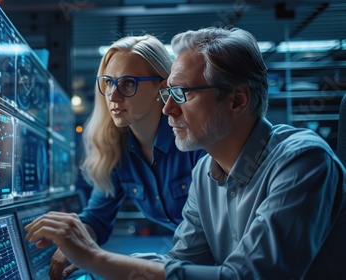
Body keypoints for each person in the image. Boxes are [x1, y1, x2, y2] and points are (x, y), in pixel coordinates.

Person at [25, 26, 346, 279]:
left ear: (236, 101)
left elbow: (251, 276)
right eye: (168, 94)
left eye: (182, 94)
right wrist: (97, 267)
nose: (168, 108)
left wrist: (98, 259)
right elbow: (181, 262)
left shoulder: (304, 160)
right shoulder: (205, 173)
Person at [49, 34, 206, 279]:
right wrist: (74, 243)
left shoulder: (194, 142)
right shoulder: (117, 150)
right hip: (183, 258)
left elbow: (204, 240)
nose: (113, 95)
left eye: (128, 83)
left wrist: (101, 262)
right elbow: (96, 217)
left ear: (162, 87)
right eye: (109, 82)